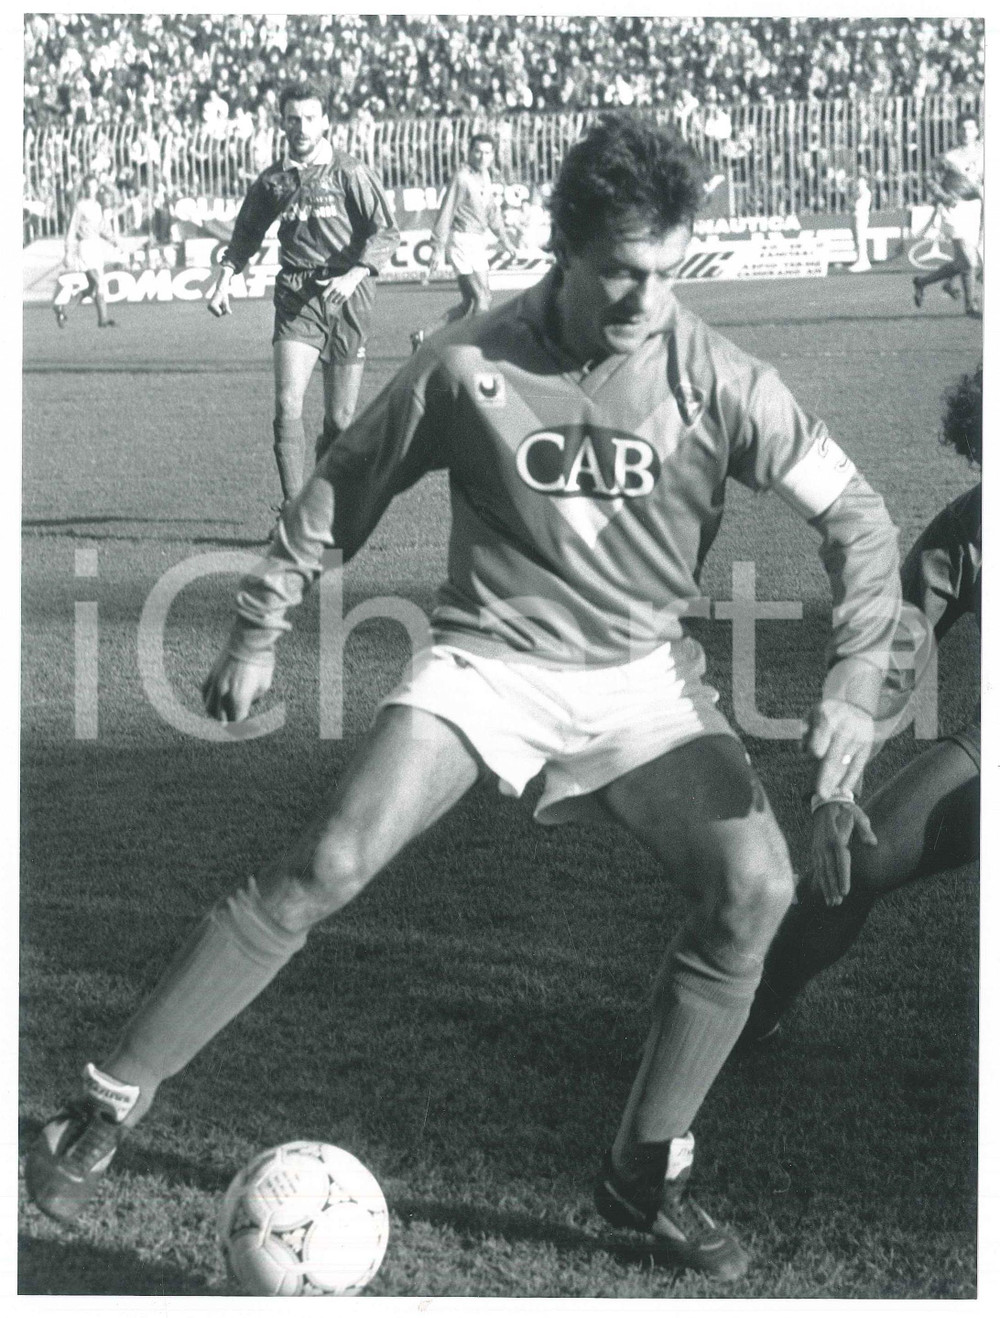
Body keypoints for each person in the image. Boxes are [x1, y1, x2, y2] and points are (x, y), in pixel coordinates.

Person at [27, 113, 901, 1283]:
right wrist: (255, 624)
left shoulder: (720, 378)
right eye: (623, 273)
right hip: (485, 662)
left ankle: (643, 1169)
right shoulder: (466, 361)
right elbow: (344, 488)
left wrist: (852, 683)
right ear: (564, 250)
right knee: (326, 864)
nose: (650, 296)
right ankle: (101, 1105)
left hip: (643, 679)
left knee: (755, 889)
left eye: (666, 269)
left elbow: (858, 521)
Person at [741, 364, 981, 1045]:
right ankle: (747, 1020)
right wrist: (834, 793)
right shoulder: (969, 528)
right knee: (859, 860)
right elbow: (889, 662)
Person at [206, 80, 400, 510]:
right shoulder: (274, 181)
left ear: (326, 122)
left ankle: (321, 499)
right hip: (297, 293)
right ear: (282, 123)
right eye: (293, 119)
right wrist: (225, 275)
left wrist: (354, 274)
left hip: (349, 296)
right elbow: (246, 235)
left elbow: (386, 232)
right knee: (287, 400)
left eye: (310, 118)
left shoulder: (350, 172)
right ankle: (294, 510)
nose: (302, 127)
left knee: (340, 419)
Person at [410, 133, 518, 352]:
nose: (482, 157)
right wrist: (437, 246)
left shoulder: (486, 176)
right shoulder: (462, 178)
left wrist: (504, 239)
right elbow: (446, 211)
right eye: (478, 151)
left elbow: (491, 211)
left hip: (478, 241)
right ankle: (479, 348)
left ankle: (422, 336)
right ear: (469, 152)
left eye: (487, 152)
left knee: (473, 301)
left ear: (493, 155)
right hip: (461, 240)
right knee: (481, 298)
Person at [912, 115, 983, 318]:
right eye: (962, 128)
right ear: (956, 131)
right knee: (970, 262)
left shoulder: (984, 151)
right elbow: (929, 179)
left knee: (963, 263)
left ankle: (922, 283)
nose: (966, 132)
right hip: (954, 209)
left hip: (976, 207)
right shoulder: (948, 157)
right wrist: (944, 197)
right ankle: (971, 306)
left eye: (970, 128)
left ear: (977, 131)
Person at [52, 174, 123, 329]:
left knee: (93, 287)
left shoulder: (97, 206)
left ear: (97, 187)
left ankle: (63, 309)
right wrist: (68, 251)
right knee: (98, 281)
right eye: (89, 187)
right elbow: (72, 229)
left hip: (97, 246)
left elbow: (102, 228)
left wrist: (114, 240)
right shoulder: (80, 206)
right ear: (84, 188)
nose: (92, 189)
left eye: (94, 186)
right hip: (85, 247)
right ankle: (102, 319)